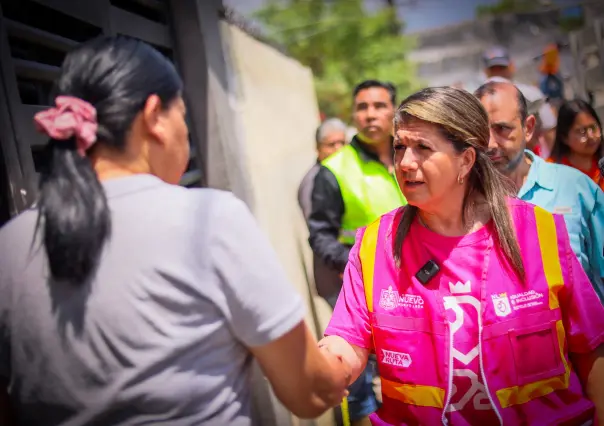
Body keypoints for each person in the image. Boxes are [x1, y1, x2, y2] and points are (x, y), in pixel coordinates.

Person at [0, 36, 352, 426]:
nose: (185, 132)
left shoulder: (10, 244)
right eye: (182, 114)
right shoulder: (209, 220)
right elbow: (310, 393)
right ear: (154, 116)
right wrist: (343, 361)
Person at [320, 86, 604, 425]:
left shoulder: (540, 232)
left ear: (466, 160)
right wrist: (320, 364)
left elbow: (592, 350)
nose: (405, 162)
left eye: (422, 148)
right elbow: (345, 344)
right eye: (399, 147)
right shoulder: (375, 246)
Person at [309, 80, 406, 426]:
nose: (370, 115)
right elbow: (320, 236)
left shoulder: (411, 155)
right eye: (362, 107)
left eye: (379, 106)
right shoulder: (335, 170)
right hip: (363, 290)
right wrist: (357, 266)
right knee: (362, 381)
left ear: (394, 110)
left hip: (415, 284)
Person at [474, 81, 604, 301]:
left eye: (502, 129)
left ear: (529, 127)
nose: (490, 143)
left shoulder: (574, 188)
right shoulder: (465, 202)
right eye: (479, 131)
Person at [298, 118, 347, 318]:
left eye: (342, 143)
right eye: (330, 144)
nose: (337, 149)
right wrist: (342, 265)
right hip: (336, 275)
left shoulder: (343, 174)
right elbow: (322, 236)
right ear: (318, 148)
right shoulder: (315, 182)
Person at [548, 99, 604, 190]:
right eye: (582, 131)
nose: (591, 136)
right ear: (564, 137)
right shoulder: (552, 172)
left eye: (593, 128)